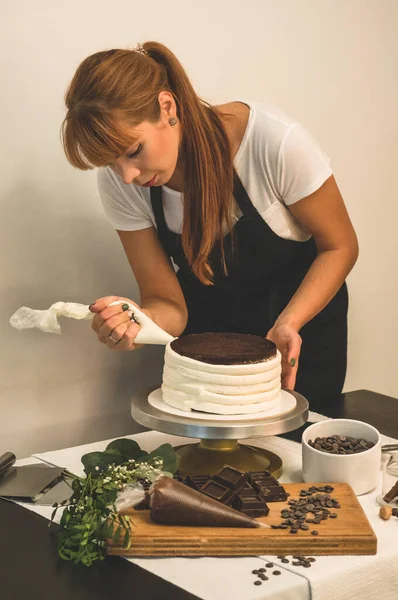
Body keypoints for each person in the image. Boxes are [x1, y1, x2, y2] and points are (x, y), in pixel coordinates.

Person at [61, 41, 358, 412]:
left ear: (166, 107)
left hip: (296, 334)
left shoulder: (272, 142)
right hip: (208, 347)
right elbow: (168, 304)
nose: (128, 176)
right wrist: (138, 324)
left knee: (301, 457)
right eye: (111, 163)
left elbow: (340, 246)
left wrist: (290, 322)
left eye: (134, 150)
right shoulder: (125, 184)